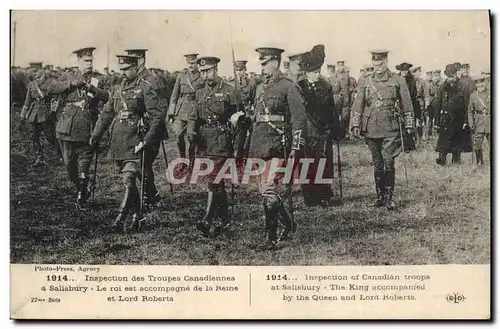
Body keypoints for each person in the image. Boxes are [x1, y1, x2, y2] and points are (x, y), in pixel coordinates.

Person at [90, 54, 163, 232]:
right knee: (128, 181)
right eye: (121, 69)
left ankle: (120, 219)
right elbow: (107, 114)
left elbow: (157, 116)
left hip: (135, 140)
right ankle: (138, 215)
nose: (124, 73)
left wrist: (146, 141)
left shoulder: (145, 88)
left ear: (135, 67)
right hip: (118, 140)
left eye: (127, 69)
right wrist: (95, 135)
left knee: (129, 178)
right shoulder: (116, 89)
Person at [248, 47, 306, 250]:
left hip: (278, 145)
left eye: (265, 64)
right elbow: (257, 117)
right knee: (265, 190)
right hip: (260, 144)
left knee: (269, 189)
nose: (262, 68)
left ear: (275, 62)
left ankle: (270, 238)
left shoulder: (288, 87)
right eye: (261, 64)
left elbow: (299, 120)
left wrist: (295, 148)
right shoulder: (259, 88)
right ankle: (289, 224)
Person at [351, 50, 414, 210]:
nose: (377, 67)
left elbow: (407, 104)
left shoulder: (397, 79)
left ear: (386, 62)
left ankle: (389, 198)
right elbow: (358, 103)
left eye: (380, 64)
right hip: (371, 126)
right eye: (375, 64)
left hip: (390, 126)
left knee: (388, 162)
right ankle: (380, 197)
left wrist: (409, 124)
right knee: (377, 164)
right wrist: (355, 124)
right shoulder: (365, 81)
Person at [48, 47, 109, 210]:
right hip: (67, 127)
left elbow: (108, 97)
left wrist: (93, 89)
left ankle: (81, 195)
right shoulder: (68, 76)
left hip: (88, 127)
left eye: (90, 60)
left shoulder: (98, 79)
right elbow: (52, 88)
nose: (89, 64)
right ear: (78, 61)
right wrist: (71, 84)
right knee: (70, 166)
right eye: (85, 61)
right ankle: (81, 186)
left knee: (84, 165)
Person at [193, 56, 240, 238]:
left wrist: (237, 144)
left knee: (213, 180)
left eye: (208, 71)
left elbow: (239, 118)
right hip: (205, 143)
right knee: (217, 182)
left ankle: (207, 220)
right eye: (202, 72)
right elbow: (194, 116)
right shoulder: (199, 93)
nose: (205, 75)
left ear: (216, 69)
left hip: (222, 141)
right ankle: (224, 220)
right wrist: (192, 133)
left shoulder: (229, 91)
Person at [297, 45, 341, 206]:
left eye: (318, 71)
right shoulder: (299, 87)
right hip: (306, 131)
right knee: (306, 162)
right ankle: (309, 195)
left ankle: (324, 194)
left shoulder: (326, 86)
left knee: (324, 162)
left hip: (324, 131)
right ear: (306, 72)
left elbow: (331, 109)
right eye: (313, 72)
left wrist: (336, 128)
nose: (317, 75)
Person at [124, 48, 169, 208]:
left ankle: (149, 195)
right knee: (141, 162)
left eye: (133, 59)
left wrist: (147, 119)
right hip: (136, 128)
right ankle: (152, 195)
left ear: (141, 60)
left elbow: (161, 105)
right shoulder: (131, 79)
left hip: (151, 128)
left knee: (144, 162)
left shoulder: (152, 79)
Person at [167, 53, 205, 175]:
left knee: (191, 136)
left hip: (194, 110)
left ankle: (192, 162)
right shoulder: (181, 76)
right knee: (178, 135)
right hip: (181, 109)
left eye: (193, 63)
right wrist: (171, 112)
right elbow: (174, 94)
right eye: (189, 63)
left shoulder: (201, 76)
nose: (191, 65)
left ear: (197, 64)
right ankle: (183, 161)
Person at [19, 62, 59, 167]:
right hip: (34, 115)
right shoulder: (32, 85)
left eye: (36, 71)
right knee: (34, 137)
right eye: (33, 71)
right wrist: (23, 115)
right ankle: (40, 158)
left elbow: (56, 99)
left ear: (42, 70)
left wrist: (53, 112)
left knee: (50, 138)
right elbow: (27, 101)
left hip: (46, 114)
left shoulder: (51, 82)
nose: (34, 73)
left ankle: (62, 155)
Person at [433, 64, 469, 165]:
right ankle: (442, 159)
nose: (451, 79)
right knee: (443, 140)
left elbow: (466, 106)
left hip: (458, 119)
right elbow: (437, 105)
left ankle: (456, 160)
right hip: (445, 119)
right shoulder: (443, 87)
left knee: (457, 140)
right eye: (449, 77)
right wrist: (436, 121)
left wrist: (466, 121)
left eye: (452, 76)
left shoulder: (462, 87)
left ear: (456, 75)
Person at [468, 75, 490, 166]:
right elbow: (470, 110)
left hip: (489, 121)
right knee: (478, 143)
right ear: (476, 84)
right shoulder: (473, 95)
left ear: (485, 82)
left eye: (482, 82)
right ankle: (479, 162)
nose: (480, 84)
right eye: (478, 83)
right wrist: (471, 123)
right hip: (479, 122)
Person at [396, 62, 420, 146]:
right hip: (399, 104)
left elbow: (414, 93)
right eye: (403, 71)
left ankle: (410, 144)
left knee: (409, 123)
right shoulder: (396, 79)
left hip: (410, 103)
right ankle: (400, 144)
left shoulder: (411, 80)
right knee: (400, 124)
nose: (404, 72)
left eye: (406, 70)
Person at [411, 66, 430, 140]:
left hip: (420, 103)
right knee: (412, 120)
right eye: (417, 72)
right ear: (413, 73)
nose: (419, 74)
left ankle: (422, 135)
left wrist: (426, 101)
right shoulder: (410, 81)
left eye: (420, 72)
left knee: (421, 119)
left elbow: (426, 93)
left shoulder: (422, 82)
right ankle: (414, 136)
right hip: (412, 102)